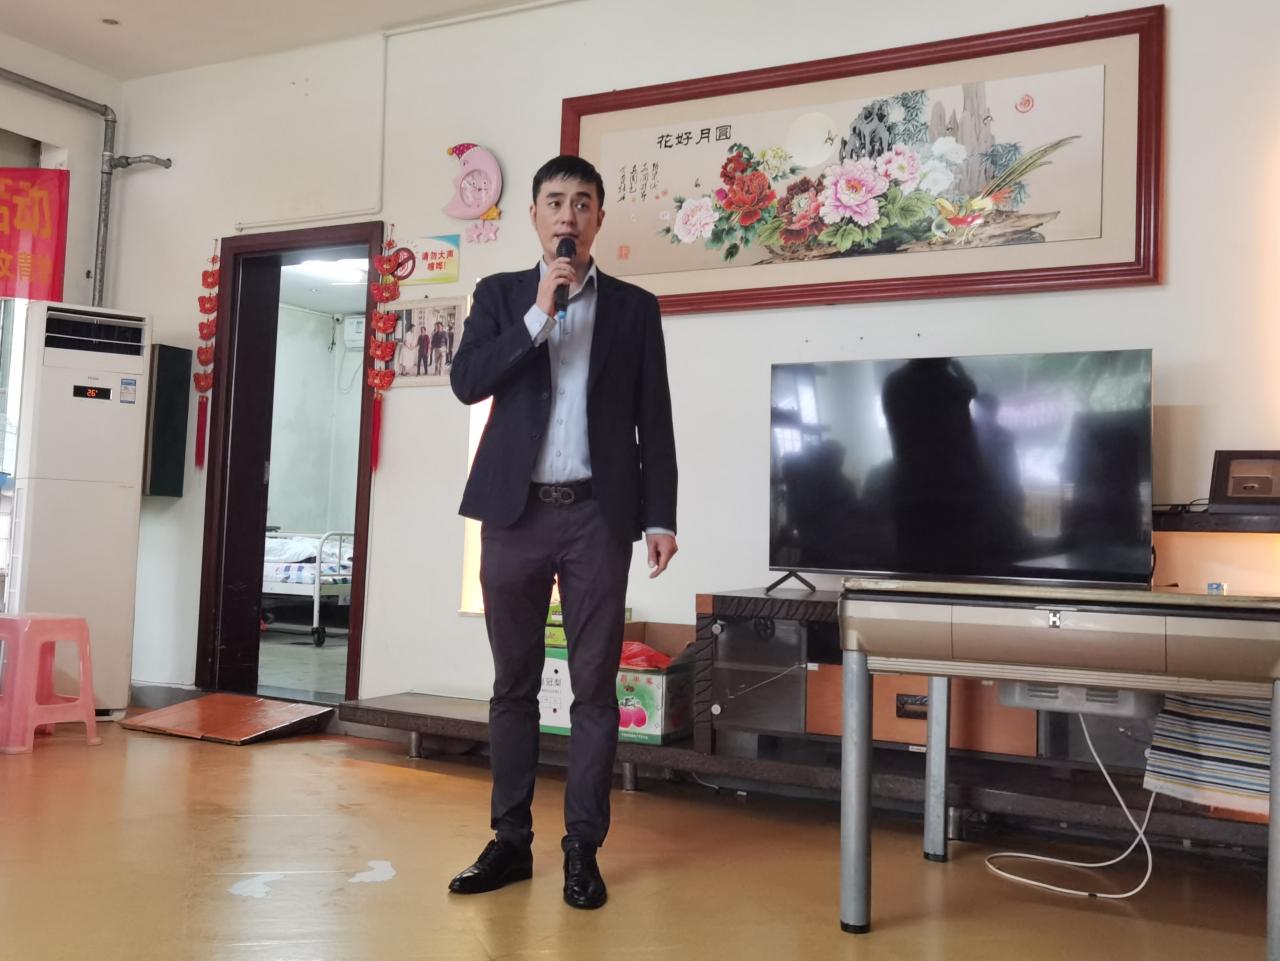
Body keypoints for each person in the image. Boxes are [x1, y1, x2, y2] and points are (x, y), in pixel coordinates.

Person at [448, 154, 678, 910]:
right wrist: (538, 314)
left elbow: (655, 419)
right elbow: (467, 381)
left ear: (599, 218)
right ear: (535, 216)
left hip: (596, 516)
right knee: (512, 685)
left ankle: (583, 847)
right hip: (513, 513)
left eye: (582, 202)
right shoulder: (500, 295)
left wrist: (660, 515)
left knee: (593, 690)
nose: (568, 215)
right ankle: (510, 840)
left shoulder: (635, 309)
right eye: (555, 202)